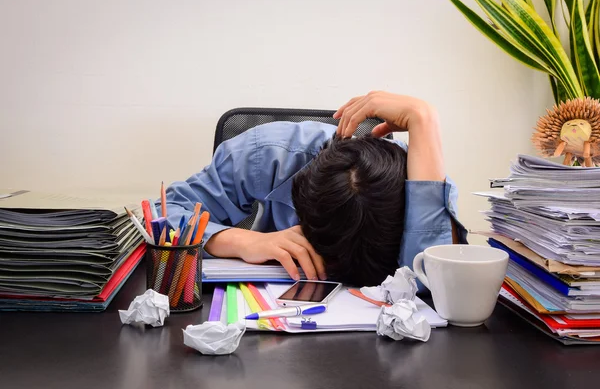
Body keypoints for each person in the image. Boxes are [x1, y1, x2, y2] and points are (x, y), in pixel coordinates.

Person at [162, 91, 467, 289]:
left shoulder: (426, 183)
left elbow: (434, 280)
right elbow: (165, 215)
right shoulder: (269, 154)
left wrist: (423, 119)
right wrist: (241, 240)